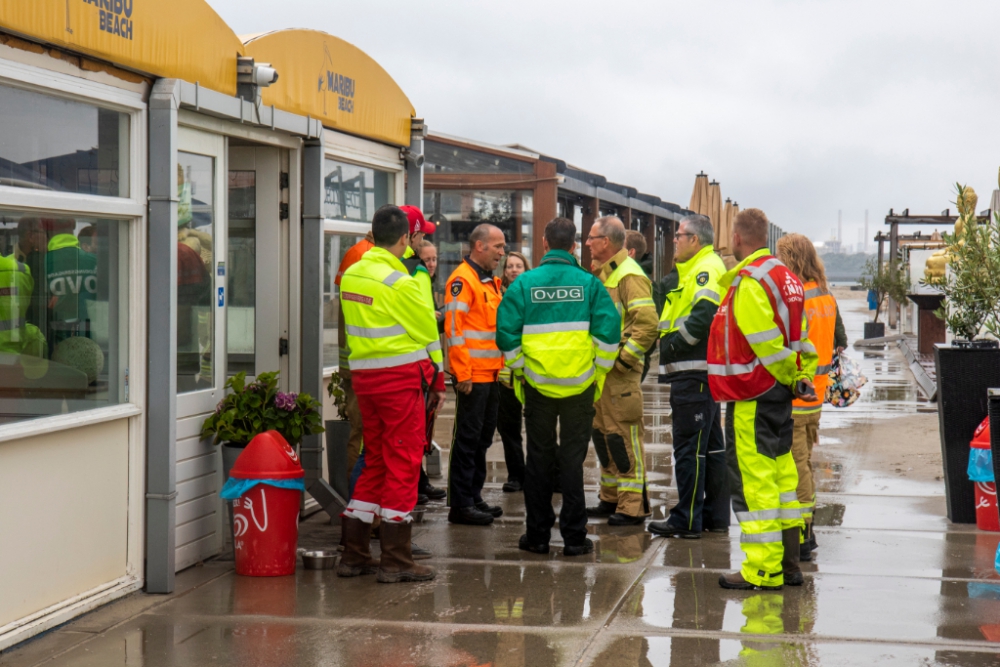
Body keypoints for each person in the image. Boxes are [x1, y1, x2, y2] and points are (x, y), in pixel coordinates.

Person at [708, 208, 818, 590]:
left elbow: (766, 345)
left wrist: (788, 374)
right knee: (782, 479)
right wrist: (799, 378)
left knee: (755, 484)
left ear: (738, 238)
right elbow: (801, 339)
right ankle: (789, 564)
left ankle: (762, 569)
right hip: (780, 396)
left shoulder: (750, 280)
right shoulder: (787, 278)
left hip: (753, 394)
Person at [496, 217, 620, 555]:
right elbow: (609, 336)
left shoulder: (524, 284)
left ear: (545, 243)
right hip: (580, 387)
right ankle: (574, 538)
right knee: (571, 461)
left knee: (538, 460)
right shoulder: (590, 285)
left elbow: (505, 334)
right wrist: (598, 373)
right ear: (574, 246)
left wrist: (521, 369)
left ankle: (537, 537)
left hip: (537, 386)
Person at [337, 204, 445, 583]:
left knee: (376, 459)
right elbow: (426, 332)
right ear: (404, 239)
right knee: (403, 460)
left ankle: (354, 554)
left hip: (365, 379)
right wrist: (439, 376)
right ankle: (396, 559)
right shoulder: (401, 281)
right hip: (399, 380)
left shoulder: (351, 274)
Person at [648, 214, 730, 539]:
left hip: (692, 371)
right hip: (700, 372)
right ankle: (714, 516)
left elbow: (703, 317)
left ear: (694, 239)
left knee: (689, 449)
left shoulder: (705, 268)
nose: (675, 241)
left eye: (679, 236)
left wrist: (672, 344)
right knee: (709, 448)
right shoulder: (704, 266)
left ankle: (686, 519)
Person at [584, 217, 659, 526]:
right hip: (602, 373)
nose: (587, 242)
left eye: (592, 237)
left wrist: (623, 361)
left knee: (623, 438)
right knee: (603, 437)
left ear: (608, 242)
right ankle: (611, 497)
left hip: (619, 375)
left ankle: (633, 507)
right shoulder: (604, 274)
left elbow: (647, 324)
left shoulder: (629, 274)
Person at [776, 233, 841, 561]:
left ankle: (802, 532)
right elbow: (839, 339)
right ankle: (805, 526)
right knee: (804, 463)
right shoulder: (826, 296)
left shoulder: (796, 297)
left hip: (797, 393)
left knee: (796, 464)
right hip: (817, 394)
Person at [444, 223, 506, 526]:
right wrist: (462, 374)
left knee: (482, 440)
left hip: (490, 374)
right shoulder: (462, 279)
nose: (502, 252)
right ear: (480, 246)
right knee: (467, 440)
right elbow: (454, 330)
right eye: (498, 246)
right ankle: (461, 504)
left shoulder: (488, 281)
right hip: (473, 377)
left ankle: (473, 495)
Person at [496, 251, 531, 493]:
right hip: (503, 375)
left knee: (541, 429)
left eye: (519, 265)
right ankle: (516, 475)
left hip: (531, 372)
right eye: (510, 266)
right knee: (509, 429)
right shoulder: (496, 295)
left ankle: (549, 475)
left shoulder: (532, 294)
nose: (514, 269)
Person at [45, 218, 97, 351]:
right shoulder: (93, 261)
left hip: (57, 336)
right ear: (74, 225)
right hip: (91, 335)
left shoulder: (42, 262)